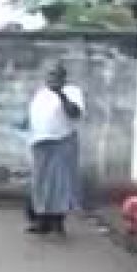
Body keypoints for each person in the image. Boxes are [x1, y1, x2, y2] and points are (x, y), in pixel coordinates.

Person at [27, 63, 84, 235]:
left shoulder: (72, 91)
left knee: (60, 184)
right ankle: (42, 221)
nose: (51, 78)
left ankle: (58, 222)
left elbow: (74, 113)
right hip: (40, 142)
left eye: (55, 75)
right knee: (40, 184)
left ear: (63, 77)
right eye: (49, 75)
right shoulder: (41, 93)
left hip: (62, 141)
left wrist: (61, 94)